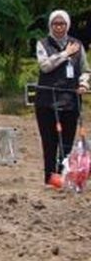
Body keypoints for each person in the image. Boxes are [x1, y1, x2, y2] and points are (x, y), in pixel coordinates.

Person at [34, 10, 89, 185]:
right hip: (47, 102)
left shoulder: (77, 45)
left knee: (66, 143)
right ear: (50, 26)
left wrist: (84, 84)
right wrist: (65, 53)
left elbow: (85, 70)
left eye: (62, 24)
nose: (59, 27)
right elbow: (45, 66)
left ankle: (64, 176)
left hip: (70, 102)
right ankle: (49, 178)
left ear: (67, 25)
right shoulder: (43, 44)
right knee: (49, 144)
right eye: (55, 24)